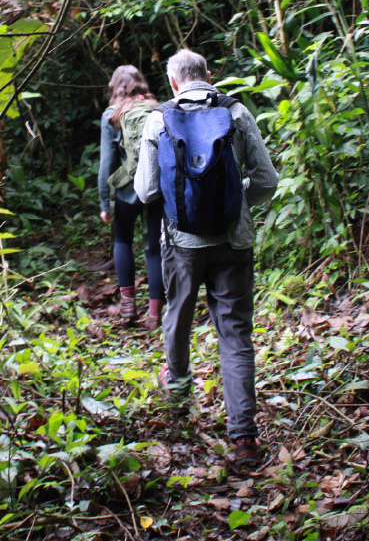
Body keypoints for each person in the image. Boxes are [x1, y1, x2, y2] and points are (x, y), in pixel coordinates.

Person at [134, 49, 279, 467]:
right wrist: (236, 206)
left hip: (180, 242)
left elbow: (145, 192)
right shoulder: (237, 113)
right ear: (208, 75)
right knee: (235, 334)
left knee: (177, 317)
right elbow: (267, 179)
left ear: (174, 82)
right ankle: (243, 439)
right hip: (234, 242)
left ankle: (178, 395)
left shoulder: (158, 119)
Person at [97, 65, 165, 329]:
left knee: (123, 240)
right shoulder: (158, 110)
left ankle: (127, 308)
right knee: (154, 247)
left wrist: (104, 201)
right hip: (157, 189)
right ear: (141, 84)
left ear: (115, 87)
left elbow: (107, 163)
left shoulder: (111, 116)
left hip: (127, 190)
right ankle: (155, 313)